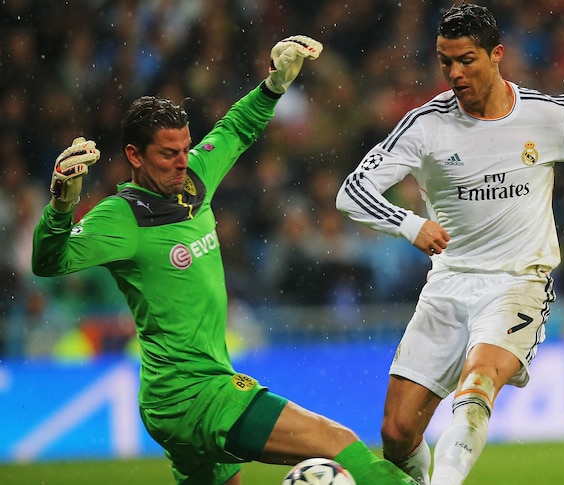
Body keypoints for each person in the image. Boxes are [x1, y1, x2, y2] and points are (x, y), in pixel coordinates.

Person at [32, 35, 415, 485]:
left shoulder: (195, 176)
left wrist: (274, 85)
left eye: (184, 149)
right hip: (193, 394)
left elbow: (235, 129)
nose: (182, 163)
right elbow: (49, 262)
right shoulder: (120, 218)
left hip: (177, 399)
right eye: (168, 154)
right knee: (338, 443)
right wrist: (61, 205)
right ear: (134, 156)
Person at [335, 4, 564, 484]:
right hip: (448, 283)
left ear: (497, 55)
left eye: (467, 60)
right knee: (396, 432)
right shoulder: (425, 125)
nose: (454, 74)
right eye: (445, 62)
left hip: (518, 282)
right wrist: (410, 225)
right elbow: (351, 192)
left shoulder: (549, 116)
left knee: (477, 384)